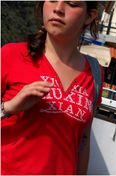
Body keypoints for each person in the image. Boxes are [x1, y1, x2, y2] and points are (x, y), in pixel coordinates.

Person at [1, 1, 103, 175]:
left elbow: (83, 141)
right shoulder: (11, 55)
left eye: (71, 4)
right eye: (52, 0)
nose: (58, 9)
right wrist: (9, 108)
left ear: (90, 16)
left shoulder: (95, 72)